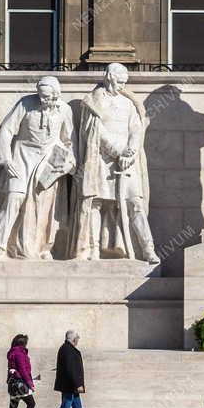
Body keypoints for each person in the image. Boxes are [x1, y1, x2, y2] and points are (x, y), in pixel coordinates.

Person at [0, 76, 75, 269]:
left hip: (47, 160)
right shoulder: (25, 103)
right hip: (22, 155)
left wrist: (67, 162)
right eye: (41, 96)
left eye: (47, 97)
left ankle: (43, 248)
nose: (43, 100)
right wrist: (6, 158)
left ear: (56, 95)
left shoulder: (65, 110)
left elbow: (69, 140)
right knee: (14, 198)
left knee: (44, 205)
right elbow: (7, 129)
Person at [71, 63, 160, 263]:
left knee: (135, 203)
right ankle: (93, 249)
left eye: (124, 82)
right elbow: (93, 131)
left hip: (128, 162)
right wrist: (118, 151)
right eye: (120, 81)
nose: (122, 86)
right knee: (95, 203)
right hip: (100, 159)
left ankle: (148, 249)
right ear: (110, 77)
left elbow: (136, 130)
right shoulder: (93, 101)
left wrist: (131, 152)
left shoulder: (129, 104)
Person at [38, 330, 85, 408]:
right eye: (77, 338)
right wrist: (78, 384)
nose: (78, 340)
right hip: (70, 386)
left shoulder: (67, 349)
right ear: (73, 339)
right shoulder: (68, 350)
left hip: (71, 385)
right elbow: (70, 369)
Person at [6, 334, 36, 408]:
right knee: (31, 404)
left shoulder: (13, 353)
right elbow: (23, 370)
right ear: (23, 343)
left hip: (13, 384)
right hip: (20, 384)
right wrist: (30, 384)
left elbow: (11, 370)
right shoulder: (20, 354)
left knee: (13, 407)